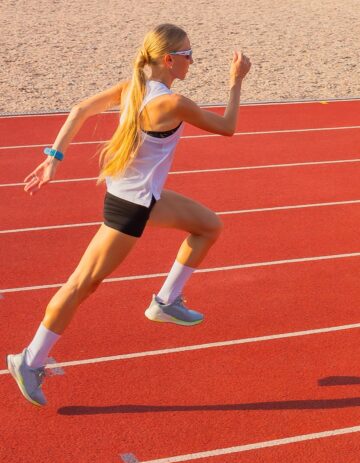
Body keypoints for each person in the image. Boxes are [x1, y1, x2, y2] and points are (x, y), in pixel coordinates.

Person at [6, 23, 251, 407]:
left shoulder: (136, 85)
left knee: (208, 226)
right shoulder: (172, 103)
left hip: (144, 196)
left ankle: (166, 301)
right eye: (188, 55)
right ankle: (30, 359)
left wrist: (53, 159)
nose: (193, 61)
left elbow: (79, 109)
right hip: (130, 207)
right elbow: (228, 127)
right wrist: (235, 81)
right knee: (80, 285)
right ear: (169, 60)